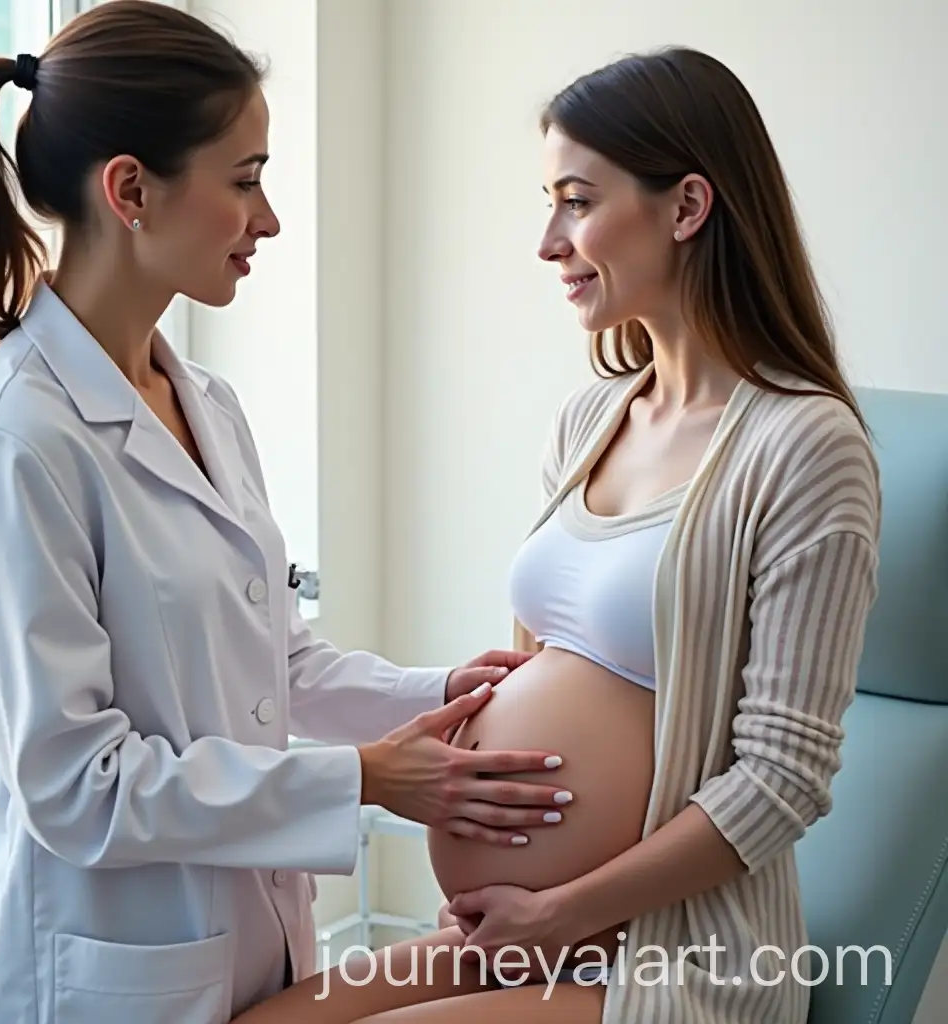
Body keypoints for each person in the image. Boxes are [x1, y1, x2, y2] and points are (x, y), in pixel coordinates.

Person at [0, 3, 575, 1023]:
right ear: (131, 190)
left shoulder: (205, 405)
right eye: (245, 180)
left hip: (239, 947)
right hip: (87, 981)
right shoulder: (8, 441)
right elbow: (76, 786)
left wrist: (437, 691)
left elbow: (276, 663)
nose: (268, 220)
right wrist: (360, 780)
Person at [227, 45, 882, 1024]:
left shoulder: (805, 446)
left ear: (687, 207)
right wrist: (496, 877)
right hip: (522, 932)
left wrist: (559, 910)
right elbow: (539, 675)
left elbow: (782, 779)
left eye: (576, 202)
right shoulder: (588, 422)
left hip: (674, 958)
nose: (547, 241)